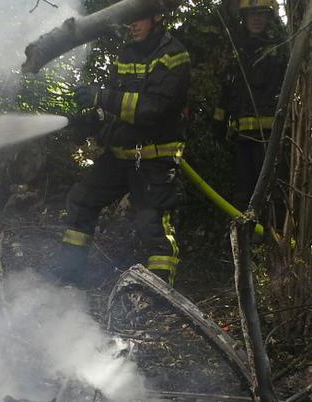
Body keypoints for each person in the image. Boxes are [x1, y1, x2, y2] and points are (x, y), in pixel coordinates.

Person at [47, 14, 191, 288]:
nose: (132, 24)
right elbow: (116, 105)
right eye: (130, 18)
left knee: (153, 226)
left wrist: (103, 97)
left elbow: (153, 109)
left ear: (157, 18)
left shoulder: (174, 55)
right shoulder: (126, 54)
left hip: (153, 158)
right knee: (82, 200)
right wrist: (92, 120)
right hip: (121, 155)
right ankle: (69, 274)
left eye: (139, 18)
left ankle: (159, 295)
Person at [212, 0, 287, 227]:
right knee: (243, 191)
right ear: (244, 18)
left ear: (269, 18)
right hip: (243, 137)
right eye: (252, 14)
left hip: (269, 136)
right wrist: (218, 121)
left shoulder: (279, 50)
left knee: (272, 192)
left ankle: (273, 242)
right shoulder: (237, 49)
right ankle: (243, 241)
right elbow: (227, 90)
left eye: (262, 14)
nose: (256, 19)